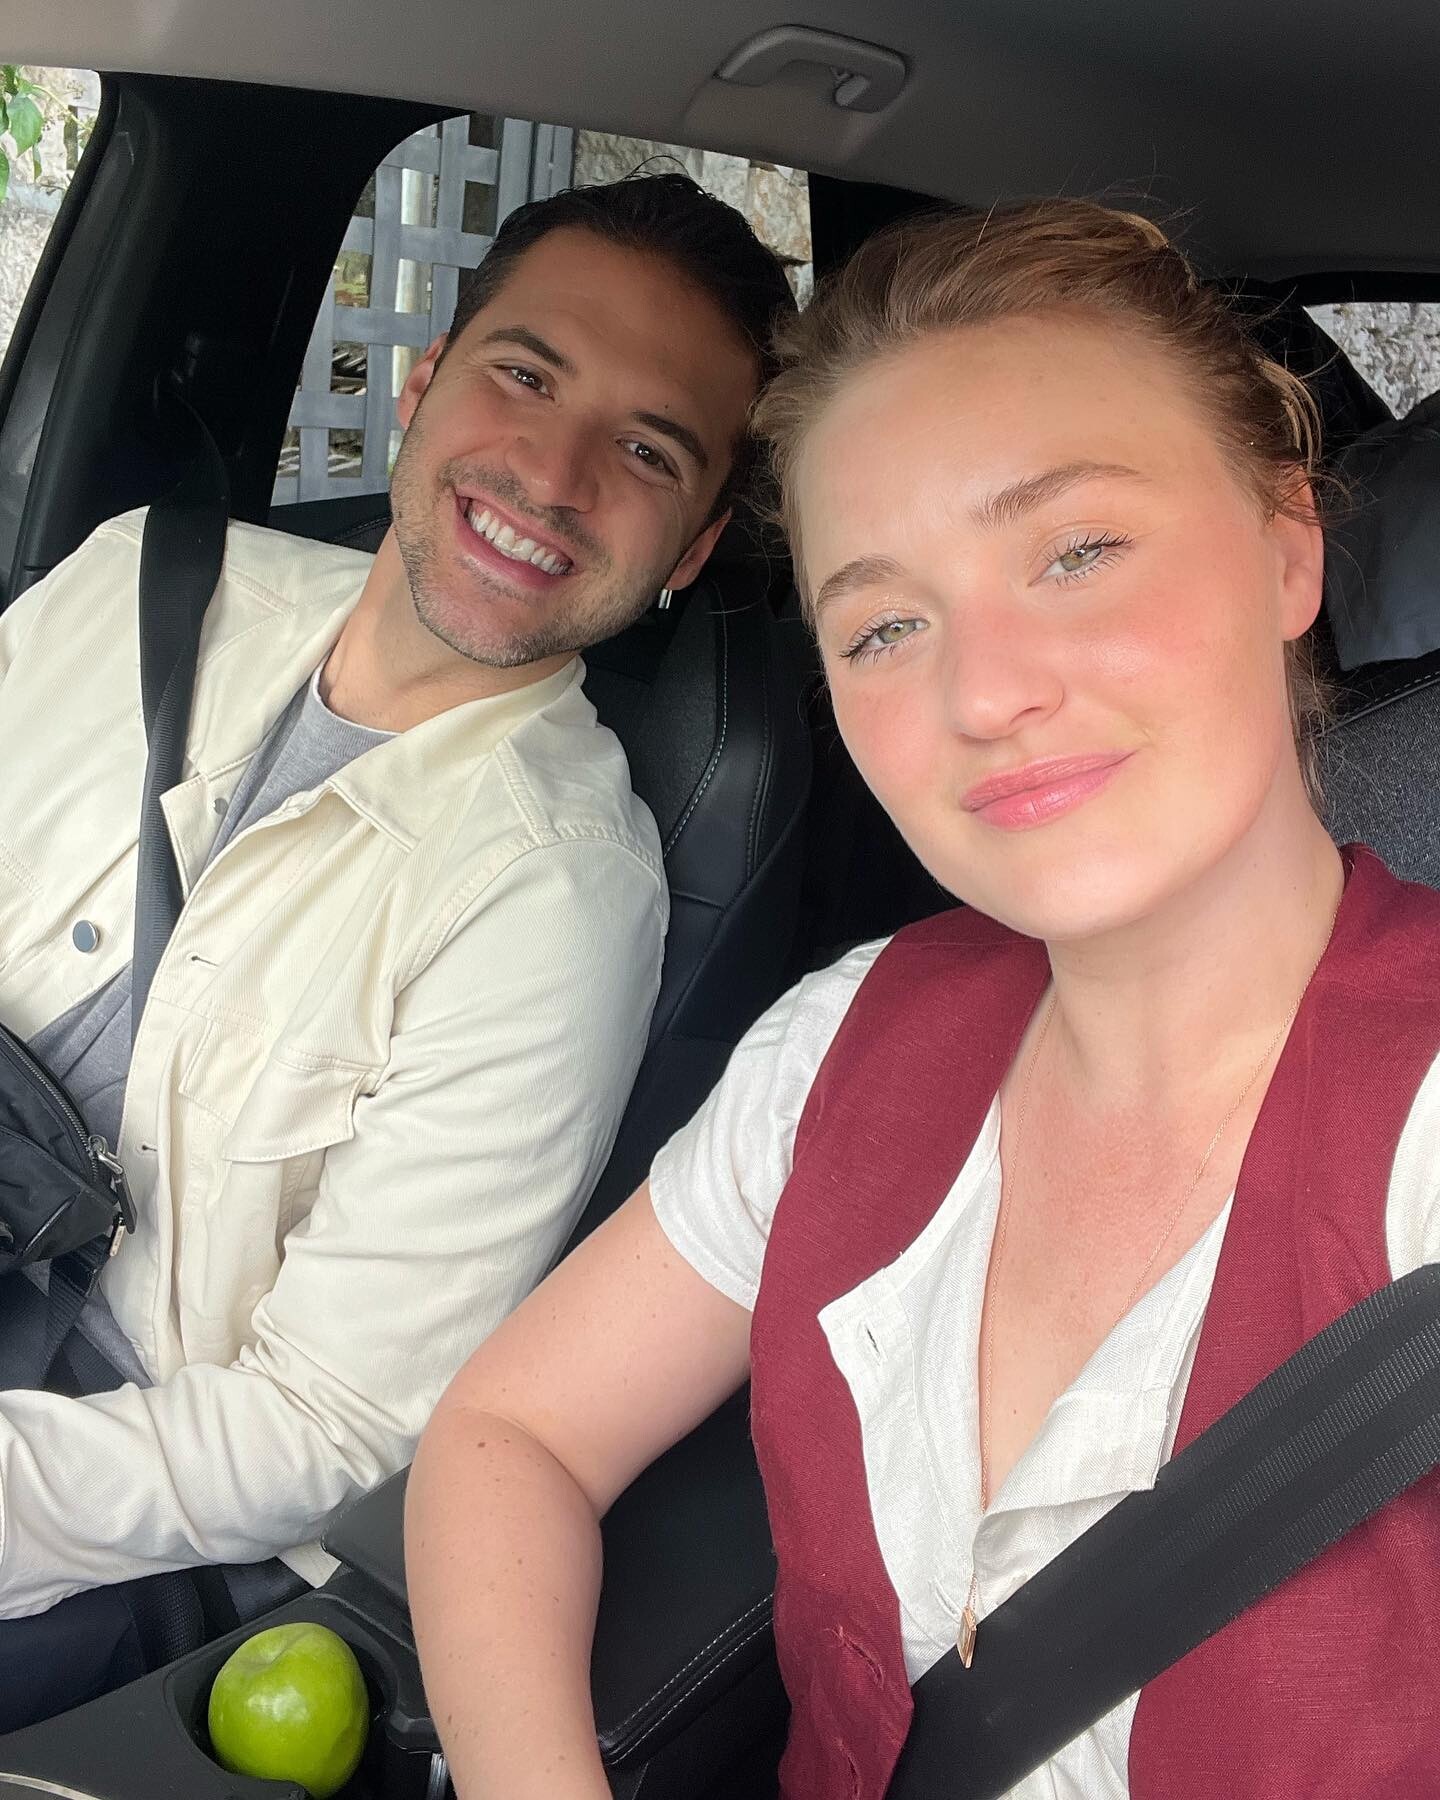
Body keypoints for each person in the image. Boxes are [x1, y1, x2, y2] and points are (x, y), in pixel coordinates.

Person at [405, 198, 1440, 1799]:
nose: (986, 691)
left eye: (1078, 551)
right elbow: (509, 1435)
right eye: (885, 623)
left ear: (1288, 547)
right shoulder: (843, 1046)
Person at [0, 171, 797, 1724]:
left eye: (647, 451)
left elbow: (329, 1420)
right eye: (526, 375)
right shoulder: (135, 577)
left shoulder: (557, 893)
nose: (553, 475)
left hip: (112, 1498)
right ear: (425, 385)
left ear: (693, 549)